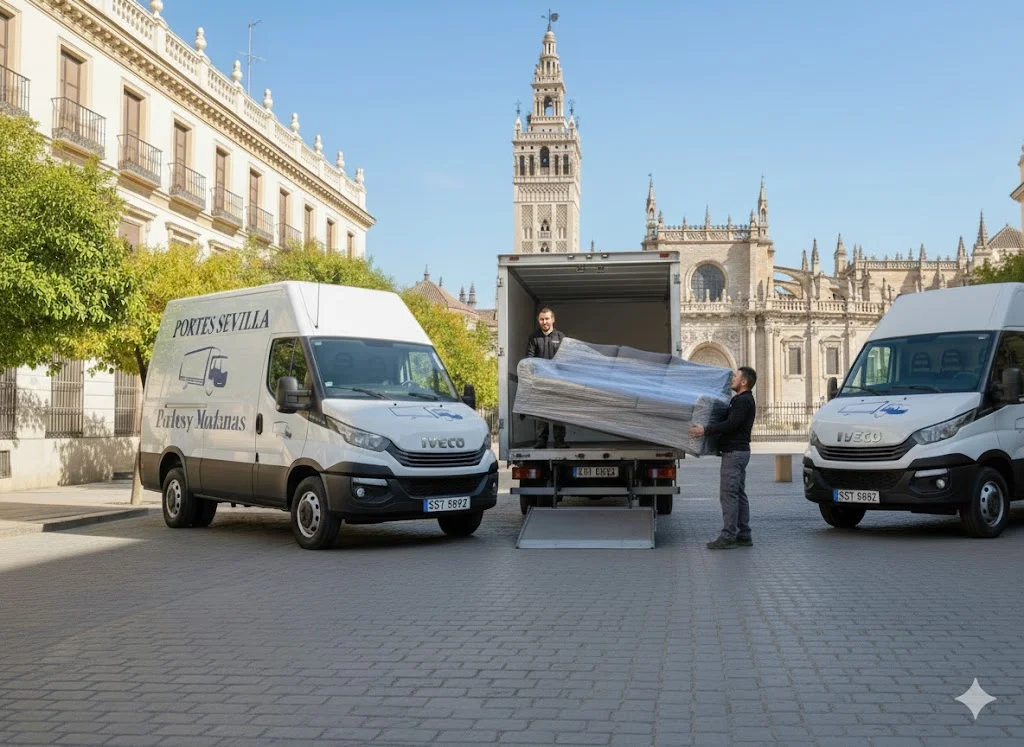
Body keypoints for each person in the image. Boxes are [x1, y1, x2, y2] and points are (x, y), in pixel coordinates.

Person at [689, 366, 757, 550]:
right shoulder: (742, 400)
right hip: (739, 452)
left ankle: (729, 535)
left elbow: (731, 424)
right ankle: (744, 534)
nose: (733, 379)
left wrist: (705, 430)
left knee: (728, 494)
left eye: (736, 376)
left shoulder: (743, 401)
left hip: (734, 453)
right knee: (738, 493)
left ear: (744, 382)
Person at [525, 307, 567, 448]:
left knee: (558, 413)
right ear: (539, 320)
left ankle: (559, 441)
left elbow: (565, 360)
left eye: (547, 319)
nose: (545, 322)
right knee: (541, 412)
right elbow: (529, 358)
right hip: (540, 381)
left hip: (557, 381)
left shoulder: (560, 337)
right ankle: (541, 441)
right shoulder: (534, 337)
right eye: (542, 319)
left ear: (553, 319)